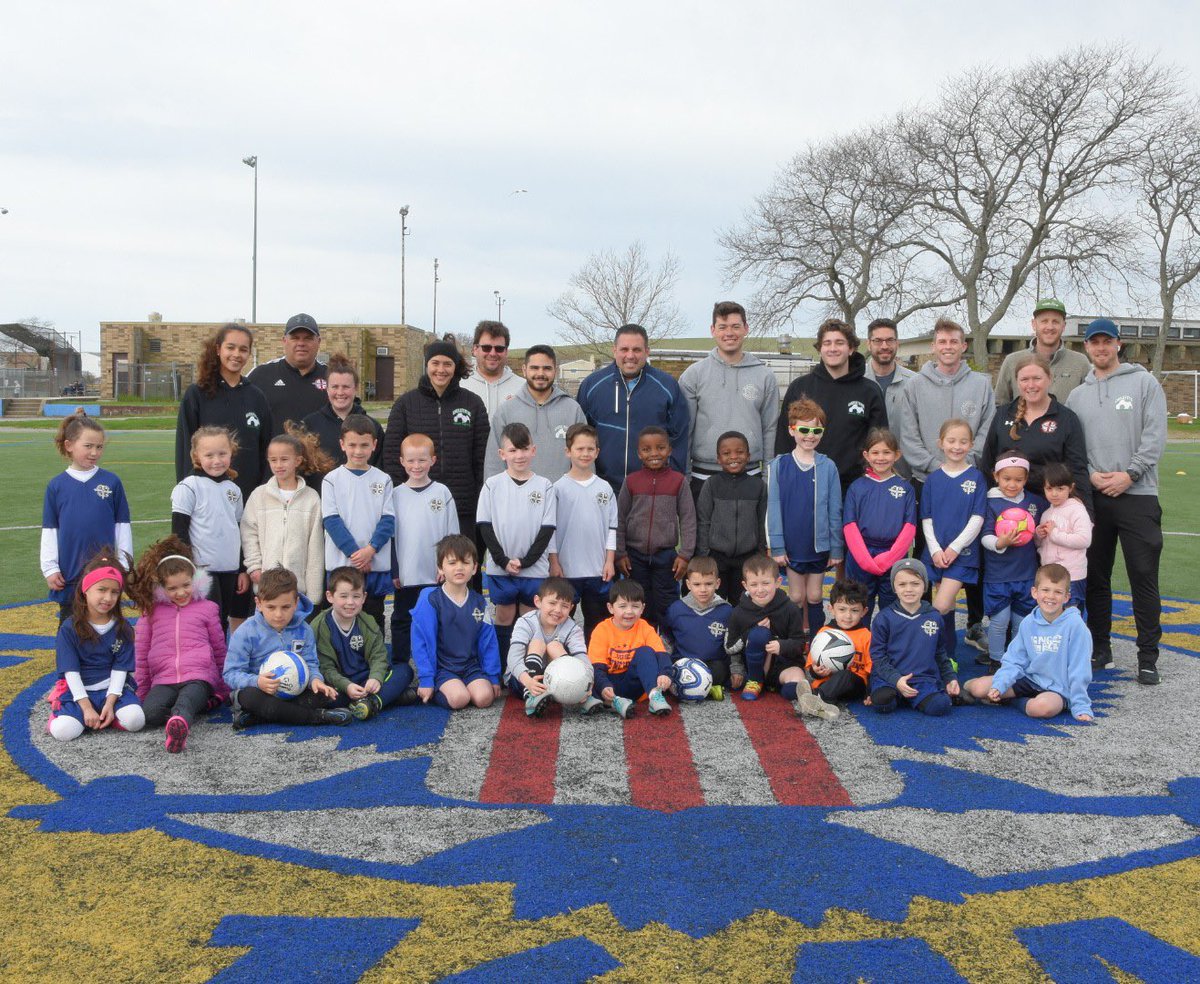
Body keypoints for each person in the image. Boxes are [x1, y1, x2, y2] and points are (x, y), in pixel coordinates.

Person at [1066, 318, 1167, 683]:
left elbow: (1155, 436)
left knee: (1143, 576)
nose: (1101, 348)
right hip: (1095, 497)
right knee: (1096, 575)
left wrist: (1131, 474)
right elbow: (1077, 448)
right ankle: (1101, 648)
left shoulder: (1143, 383)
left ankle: (1147, 655)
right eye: (1095, 342)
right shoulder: (1078, 394)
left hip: (1137, 494)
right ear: (1087, 348)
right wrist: (1092, 475)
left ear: (1118, 345)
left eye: (1107, 342)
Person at [898, 317, 996, 655]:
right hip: (929, 481)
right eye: (942, 341)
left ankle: (973, 624)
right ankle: (923, 625)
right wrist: (935, 466)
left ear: (963, 345)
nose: (948, 347)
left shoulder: (981, 384)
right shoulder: (915, 385)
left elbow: (986, 428)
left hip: (968, 479)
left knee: (970, 554)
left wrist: (966, 463)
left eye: (954, 341)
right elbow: (907, 432)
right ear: (934, 346)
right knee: (929, 554)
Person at [382, 336, 489, 548]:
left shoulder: (472, 403)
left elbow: (482, 456)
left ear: (455, 366)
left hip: (463, 506)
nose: (441, 370)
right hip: (416, 504)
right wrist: (401, 494)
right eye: (435, 363)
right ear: (427, 365)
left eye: (447, 364)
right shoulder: (406, 404)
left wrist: (479, 498)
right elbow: (392, 454)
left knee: (461, 567)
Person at [129, 538, 227, 754]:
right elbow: (142, 654)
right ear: (161, 588)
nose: (181, 592)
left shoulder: (208, 608)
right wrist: (143, 690)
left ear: (196, 580)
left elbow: (219, 649)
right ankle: (188, 712)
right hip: (164, 678)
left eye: (186, 585)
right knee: (151, 714)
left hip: (199, 676)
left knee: (187, 701)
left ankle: (180, 724)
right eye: (172, 588)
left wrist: (222, 688)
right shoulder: (151, 612)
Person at [223, 567, 350, 729]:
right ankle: (317, 717)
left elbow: (311, 663)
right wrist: (257, 682)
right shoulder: (245, 633)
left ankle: (258, 717)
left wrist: (315, 680)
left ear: (296, 603)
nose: (278, 614)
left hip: (294, 692)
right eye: (271, 607)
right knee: (249, 697)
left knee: (331, 695)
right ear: (259, 603)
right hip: (259, 693)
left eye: (285, 607)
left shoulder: (304, 630)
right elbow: (230, 674)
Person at [965, 563, 1093, 722]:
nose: (1051, 597)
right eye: (1045, 590)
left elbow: (1080, 669)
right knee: (978, 688)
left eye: (1058, 592)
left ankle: (1013, 701)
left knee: (1040, 708)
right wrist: (1000, 685)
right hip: (1029, 679)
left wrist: (1080, 705)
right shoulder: (1029, 622)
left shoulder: (1075, 626)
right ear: (1035, 592)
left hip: (1057, 689)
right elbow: (1014, 659)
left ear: (1067, 597)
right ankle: (960, 690)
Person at [679, 301, 778, 501]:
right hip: (702, 476)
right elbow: (684, 430)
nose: (729, 333)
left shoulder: (765, 376)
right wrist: (685, 475)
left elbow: (770, 429)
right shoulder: (694, 375)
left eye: (735, 326)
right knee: (704, 533)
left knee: (748, 533)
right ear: (713, 330)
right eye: (723, 327)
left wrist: (768, 476)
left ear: (746, 329)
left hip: (750, 475)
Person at [775, 319, 887, 492]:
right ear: (820, 349)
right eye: (827, 343)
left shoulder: (869, 391)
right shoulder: (800, 387)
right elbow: (784, 439)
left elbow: (879, 443)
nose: (833, 348)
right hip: (805, 484)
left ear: (851, 348)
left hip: (853, 488)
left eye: (839, 342)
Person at [41, 411, 133, 621]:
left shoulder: (112, 482)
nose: (94, 452)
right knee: (70, 628)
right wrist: (50, 568)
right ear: (69, 445)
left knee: (105, 626)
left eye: (99, 447)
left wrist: (124, 565)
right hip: (70, 574)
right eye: (88, 446)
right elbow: (50, 530)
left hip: (105, 572)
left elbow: (122, 526)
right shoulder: (56, 486)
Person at [477, 422, 557, 659]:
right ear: (502, 454)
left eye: (524, 449)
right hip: (501, 569)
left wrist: (526, 561)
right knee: (503, 615)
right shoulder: (492, 485)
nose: (519, 455)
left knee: (528, 618)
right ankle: (502, 666)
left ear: (533, 450)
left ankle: (524, 667)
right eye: (512, 450)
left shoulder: (545, 486)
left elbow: (547, 528)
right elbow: (485, 526)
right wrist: (503, 560)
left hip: (534, 568)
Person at [576, 323, 690, 491]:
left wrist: (670, 482)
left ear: (647, 352)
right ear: (614, 351)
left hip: (651, 489)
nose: (630, 356)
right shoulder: (592, 386)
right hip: (602, 488)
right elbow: (580, 435)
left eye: (637, 350)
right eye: (624, 349)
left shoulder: (667, 387)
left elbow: (679, 438)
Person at [47, 551, 145, 742]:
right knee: (63, 732)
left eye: (114, 592)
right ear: (86, 589)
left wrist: (110, 703)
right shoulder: (69, 628)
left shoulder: (123, 628)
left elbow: (120, 669)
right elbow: (71, 672)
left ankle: (109, 715)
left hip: (111, 691)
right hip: (80, 693)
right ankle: (61, 714)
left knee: (136, 720)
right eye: (102, 589)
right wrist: (86, 707)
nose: (108, 598)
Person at [767, 398, 843, 635]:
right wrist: (777, 547)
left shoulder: (828, 466)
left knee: (815, 594)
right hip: (791, 546)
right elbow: (773, 508)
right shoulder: (778, 465)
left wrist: (836, 548)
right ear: (792, 430)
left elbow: (834, 509)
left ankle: (819, 641)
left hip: (818, 546)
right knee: (797, 596)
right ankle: (796, 640)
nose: (810, 436)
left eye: (816, 430)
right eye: (804, 429)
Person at [981, 351, 1092, 514]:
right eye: (1024, 379)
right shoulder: (1003, 414)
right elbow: (987, 463)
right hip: (1006, 508)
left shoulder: (1066, 419)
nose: (1031, 385)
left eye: (1037, 378)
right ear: (1017, 382)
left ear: (1049, 379)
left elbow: (1077, 469)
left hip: (1051, 508)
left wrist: (1086, 513)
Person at [176, 323, 273, 502]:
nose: (236, 354)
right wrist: (188, 494)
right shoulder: (197, 394)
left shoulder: (257, 396)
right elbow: (184, 450)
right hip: (207, 499)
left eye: (243, 349)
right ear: (218, 349)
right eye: (231, 347)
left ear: (249, 354)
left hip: (249, 498)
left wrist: (263, 491)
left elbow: (266, 448)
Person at [615, 425, 696, 630]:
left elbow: (688, 518)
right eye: (647, 449)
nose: (654, 453)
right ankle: (642, 643)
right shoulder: (631, 481)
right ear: (639, 453)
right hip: (635, 556)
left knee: (667, 603)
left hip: (666, 556)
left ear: (669, 450)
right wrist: (620, 552)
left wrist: (685, 554)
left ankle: (668, 644)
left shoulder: (678, 481)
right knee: (639, 602)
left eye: (660, 448)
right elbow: (619, 518)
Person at [920, 419, 988, 662]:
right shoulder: (933, 479)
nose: (957, 446)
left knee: (939, 606)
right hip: (936, 554)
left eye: (963, 441)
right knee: (945, 608)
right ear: (941, 444)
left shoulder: (976, 478)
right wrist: (936, 550)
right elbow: (926, 519)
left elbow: (978, 518)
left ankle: (934, 655)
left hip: (962, 556)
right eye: (951, 441)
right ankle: (948, 657)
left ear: (971, 445)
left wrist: (955, 547)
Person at [390, 434, 459, 667]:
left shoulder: (442, 492)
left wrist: (445, 567)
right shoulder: (395, 494)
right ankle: (400, 665)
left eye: (422, 460)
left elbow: (452, 537)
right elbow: (391, 536)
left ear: (433, 460)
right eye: (411, 461)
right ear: (402, 461)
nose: (416, 466)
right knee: (401, 619)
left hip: (435, 574)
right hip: (407, 573)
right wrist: (395, 570)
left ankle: (439, 665)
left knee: (437, 620)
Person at [411, 534, 502, 710]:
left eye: (465, 563)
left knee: (484, 698)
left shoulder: (479, 602)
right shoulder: (430, 599)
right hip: (443, 669)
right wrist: (426, 679)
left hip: (470, 667)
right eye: (452, 563)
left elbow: (488, 641)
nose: (459, 568)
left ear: (475, 567)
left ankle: (464, 687)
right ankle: (437, 691)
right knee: (460, 699)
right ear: (440, 568)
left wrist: (492, 676)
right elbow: (420, 641)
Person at [171, 426, 249, 633]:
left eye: (222, 454)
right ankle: (204, 663)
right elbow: (179, 532)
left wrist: (242, 569)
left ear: (231, 453)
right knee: (205, 621)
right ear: (196, 455)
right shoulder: (188, 487)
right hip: (202, 570)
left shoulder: (233, 489)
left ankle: (221, 663)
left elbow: (239, 531)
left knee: (223, 620)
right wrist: (188, 568)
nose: (217, 460)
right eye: (209, 455)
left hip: (230, 569)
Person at [321, 415, 396, 628]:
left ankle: (376, 661)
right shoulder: (331, 480)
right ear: (342, 444)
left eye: (364, 445)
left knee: (373, 617)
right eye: (352, 445)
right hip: (343, 564)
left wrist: (370, 551)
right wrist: (356, 554)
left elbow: (388, 520)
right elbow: (332, 521)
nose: (358, 451)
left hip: (374, 564)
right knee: (342, 616)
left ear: (374, 445)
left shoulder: (383, 479)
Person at [241, 427, 330, 604]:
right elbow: (248, 533)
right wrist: (254, 567)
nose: (278, 465)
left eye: (284, 459)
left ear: (297, 460)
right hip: (266, 588)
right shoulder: (259, 496)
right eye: (273, 460)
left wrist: (314, 594)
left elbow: (316, 548)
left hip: (298, 591)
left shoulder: (311, 498)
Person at [311, 566, 414, 720]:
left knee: (405, 670)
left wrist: (375, 677)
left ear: (364, 597)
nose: (350, 602)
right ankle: (385, 698)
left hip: (365, 680)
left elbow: (378, 656)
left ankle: (371, 703)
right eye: (344, 596)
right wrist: (347, 686)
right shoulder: (319, 626)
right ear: (330, 596)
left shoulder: (368, 622)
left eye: (356, 596)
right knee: (322, 696)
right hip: (339, 684)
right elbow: (326, 668)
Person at [547, 424, 618, 640]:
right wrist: (554, 561)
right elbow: (550, 530)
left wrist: (609, 561)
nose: (585, 454)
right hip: (567, 570)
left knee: (596, 625)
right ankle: (562, 666)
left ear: (597, 452)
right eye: (579, 449)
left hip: (598, 570)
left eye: (590, 449)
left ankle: (595, 666)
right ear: (568, 451)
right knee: (561, 624)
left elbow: (612, 528)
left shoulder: (604, 488)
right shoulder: (557, 489)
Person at [842, 428, 917, 620]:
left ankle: (889, 646)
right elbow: (850, 526)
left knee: (891, 607)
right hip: (861, 557)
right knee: (858, 604)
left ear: (896, 455)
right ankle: (860, 644)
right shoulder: (857, 487)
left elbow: (909, 528)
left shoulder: (905, 488)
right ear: (866, 455)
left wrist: (889, 558)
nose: (880, 458)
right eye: (875, 452)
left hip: (893, 556)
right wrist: (865, 560)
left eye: (886, 452)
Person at [869, 559, 960, 715]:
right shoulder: (884, 617)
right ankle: (899, 695)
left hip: (923, 679)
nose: (909, 589)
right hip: (890, 679)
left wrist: (950, 678)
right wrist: (896, 680)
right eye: (902, 584)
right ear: (894, 588)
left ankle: (919, 696)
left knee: (941, 706)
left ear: (924, 586)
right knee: (882, 701)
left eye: (915, 583)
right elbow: (878, 656)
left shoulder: (934, 617)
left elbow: (940, 653)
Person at [484, 344, 586, 484]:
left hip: (562, 499)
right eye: (534, 368)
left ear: (555, 371)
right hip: (518, 499)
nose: (540, 373)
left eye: (547, 368)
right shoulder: (506, 411)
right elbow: (493, 462)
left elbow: (585, 458)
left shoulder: (573, 409)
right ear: (524, 370)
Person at [981, 453, 1046, 666]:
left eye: (1018, 480)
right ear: (996, 476)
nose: (1012, 484)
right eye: (1007, 478)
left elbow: (1036, 536)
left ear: (1026, 480)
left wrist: (1040, 534)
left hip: (1026, 573)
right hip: (998, 574)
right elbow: (985, 536)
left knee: (1022, 621)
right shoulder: (989, 502)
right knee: (999, 621)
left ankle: (1017, 660)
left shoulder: (1034, 502)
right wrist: (1000, 543)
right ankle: (996, 661)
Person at [694, 430, 768, 605]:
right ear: (718, 458)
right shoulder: (711, 485)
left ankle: (739, 633)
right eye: (726, 453)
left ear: (749, 456)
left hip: (747, 558)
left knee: (743, 603)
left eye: (740, 452)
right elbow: (703, 521)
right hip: (716, 557)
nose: (734, 457)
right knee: (714, 603)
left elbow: (761, 522)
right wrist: (704, 555)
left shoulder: (758, 486)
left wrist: (760, 554)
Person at [506, 577, 596, 717]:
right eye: (552, 603)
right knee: (538, 643)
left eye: (564, 606)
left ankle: (581, 696)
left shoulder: (572, 628)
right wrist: (527, 681)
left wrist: (588, 682)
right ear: (538, 601)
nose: (558, 610)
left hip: (557, 682)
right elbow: (513, 658)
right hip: (522, 679)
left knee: (554, 646)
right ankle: (531, 697)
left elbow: (581, 657)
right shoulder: (525, 622)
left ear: (571, 608)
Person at [724, 554, 808, 701]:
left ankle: (795, 691)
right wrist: (749, 634)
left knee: (793, 690)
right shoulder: (738, 612)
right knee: (759, 634)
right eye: (754, 585)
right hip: (753, 668)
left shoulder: (790, 609)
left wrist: (782, 645)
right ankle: (755, 681)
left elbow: (800, 643)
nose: (760, 590)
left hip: (784, 665)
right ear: (745, 586)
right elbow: (729, 647)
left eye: (766, 583)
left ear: (778, 582)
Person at [587, 579, 674, 717]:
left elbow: (661, 653)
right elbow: (596, 667)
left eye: (635, 606)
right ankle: (613, 701)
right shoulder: (601, 630)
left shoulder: (645, 627)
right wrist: (604, 686)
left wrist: (665, 673)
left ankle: (654, 696)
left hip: (634, 683)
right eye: (622, 606)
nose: (629, 611)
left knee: (646, 652)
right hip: (609, 684)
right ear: (610, 608)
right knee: (587, 676)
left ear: (642, 608)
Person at [993, 299, 1091, 406]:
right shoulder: (1012, 361)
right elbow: (999, 405)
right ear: (1034, 324)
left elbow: (1089, 405)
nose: (1050, 327)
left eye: (1055, 321)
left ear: (1063, 326)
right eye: (1044, 321)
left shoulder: (1080, 362)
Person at [660, 557, 734, 700]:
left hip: (712, 664)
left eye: (708, 584)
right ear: (688, 584)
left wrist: (737, 669)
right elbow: (667, 638)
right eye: (697, 584)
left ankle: (711, 685)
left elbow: (732, 644)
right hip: (683, 663)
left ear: (717, 583)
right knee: (673, 671)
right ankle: (693, 687)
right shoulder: (676, 609)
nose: (703, 589)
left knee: (719, 670)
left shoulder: (726, 611)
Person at [800, 579, 874, 720]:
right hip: (826, 681)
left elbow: (872, 669)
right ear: (831, 609)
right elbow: (812, 667)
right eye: (842, 609)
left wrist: (871, 693)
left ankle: (817, 698)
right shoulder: (824, 633)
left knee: (844, 675)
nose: (848, 616)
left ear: (864, 611)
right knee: (808, 683)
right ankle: (819, 700)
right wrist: (817, 672)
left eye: (854, 610)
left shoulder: (867, 636)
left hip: (854, 684)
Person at [247, 312, 329, 435]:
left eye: (308, 338)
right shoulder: (261, 375)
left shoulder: (332, 376)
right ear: (284, 341)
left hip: (321, 453)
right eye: (295, 338)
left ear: (318, 341)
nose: (301, 343)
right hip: (274, 454)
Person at [301, 353, 383, 476]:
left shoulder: (373, 427)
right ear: (327, 388)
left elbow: (380, 469)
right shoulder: (309, 425)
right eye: (335, 387)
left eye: (346, 387)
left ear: (355, 388)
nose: (340, 392)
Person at [863, 318, 917, 480]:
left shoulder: (914, 383)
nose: (884, 346)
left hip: (905, 476)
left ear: (897, 343)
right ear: (869, 344)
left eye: (889, 340)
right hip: (863, 478)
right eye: (878, 341)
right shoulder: (855, 382)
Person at [1036, 462, 1093, 613]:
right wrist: (1039, 535)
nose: (1054, 494)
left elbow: (1084, 539)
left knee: (1070, 616)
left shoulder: (1077, 509)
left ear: (1071, 488)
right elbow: (1042, 546)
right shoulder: (1047, 513)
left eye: (1060, 489)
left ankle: (1074, 638)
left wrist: (1054, 534)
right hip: (1050, 576)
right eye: (1049, 489)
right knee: (1052, 615)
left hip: (1072, 576)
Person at [461, 320, 523, 417]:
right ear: (475, 349)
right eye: (486, 348)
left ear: (506, 351)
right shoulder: (459, 385)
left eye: (499, 348)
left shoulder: (523, 388)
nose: (493, 353)